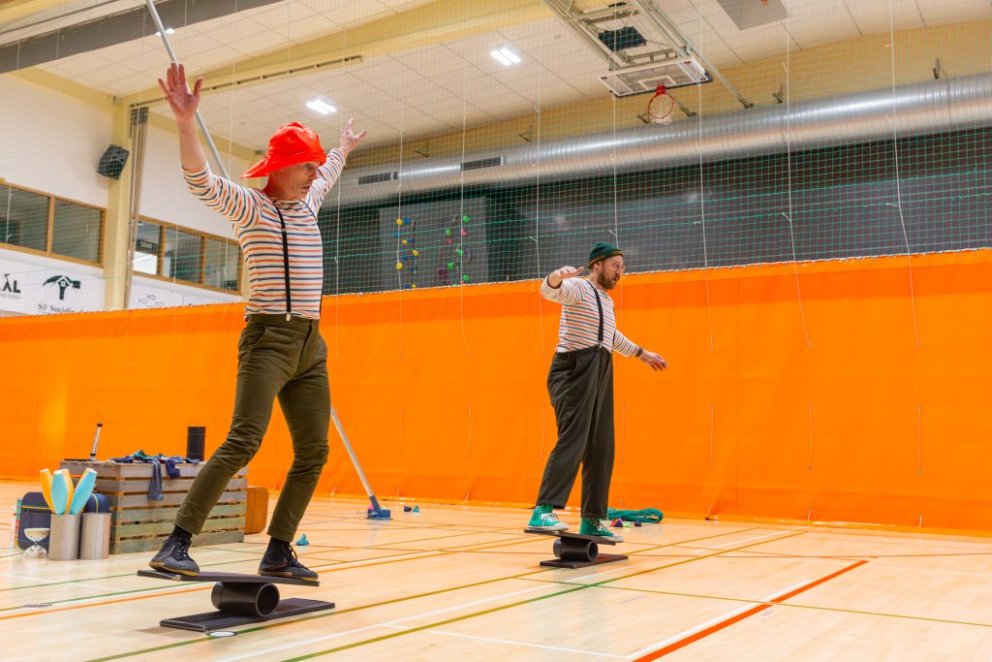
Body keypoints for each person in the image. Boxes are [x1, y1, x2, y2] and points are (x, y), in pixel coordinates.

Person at [148, 63, 367, 581]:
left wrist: (342, 148)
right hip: (268, 339)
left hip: (311, 344)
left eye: (315, 167)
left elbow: (331, 171)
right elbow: (200, 180)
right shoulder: (249, 207)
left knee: (314, 450)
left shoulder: (310, 201)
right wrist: (185, 123)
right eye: (305, 166)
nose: (313, 175)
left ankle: (279, 551)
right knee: (244, 439)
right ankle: (177, 543)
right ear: (281, 168)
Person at [527, 242, 667, 541]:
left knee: (602, 446)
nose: (620, 272)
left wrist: (642, 353)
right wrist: (556, 277)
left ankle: (591, 520)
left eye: (622, 268)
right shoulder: (578, 287)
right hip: (573, 369)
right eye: (616, 266)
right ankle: (543, 510)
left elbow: (610, 336)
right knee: (574, 438)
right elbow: (550, 292)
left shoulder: (606, 301)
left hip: (601, 369)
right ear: (597, 264)